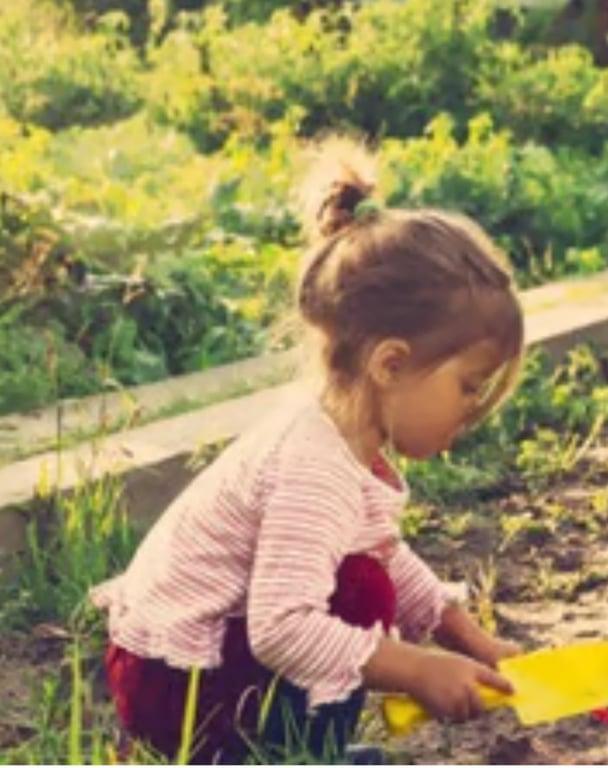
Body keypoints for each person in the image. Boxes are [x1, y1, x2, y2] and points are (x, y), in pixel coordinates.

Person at [90, 137, 526, 764]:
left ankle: (292, 744)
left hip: (193, 666)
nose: (473, 411)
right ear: (391, 363)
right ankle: (272, 752)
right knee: (359, 595)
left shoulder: (341, 436)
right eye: (467, 387)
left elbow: (382, 547)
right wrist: (415, 668)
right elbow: (282, 628)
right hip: (178, 686)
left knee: (368, 575)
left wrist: (470, 640)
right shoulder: (312, 465)